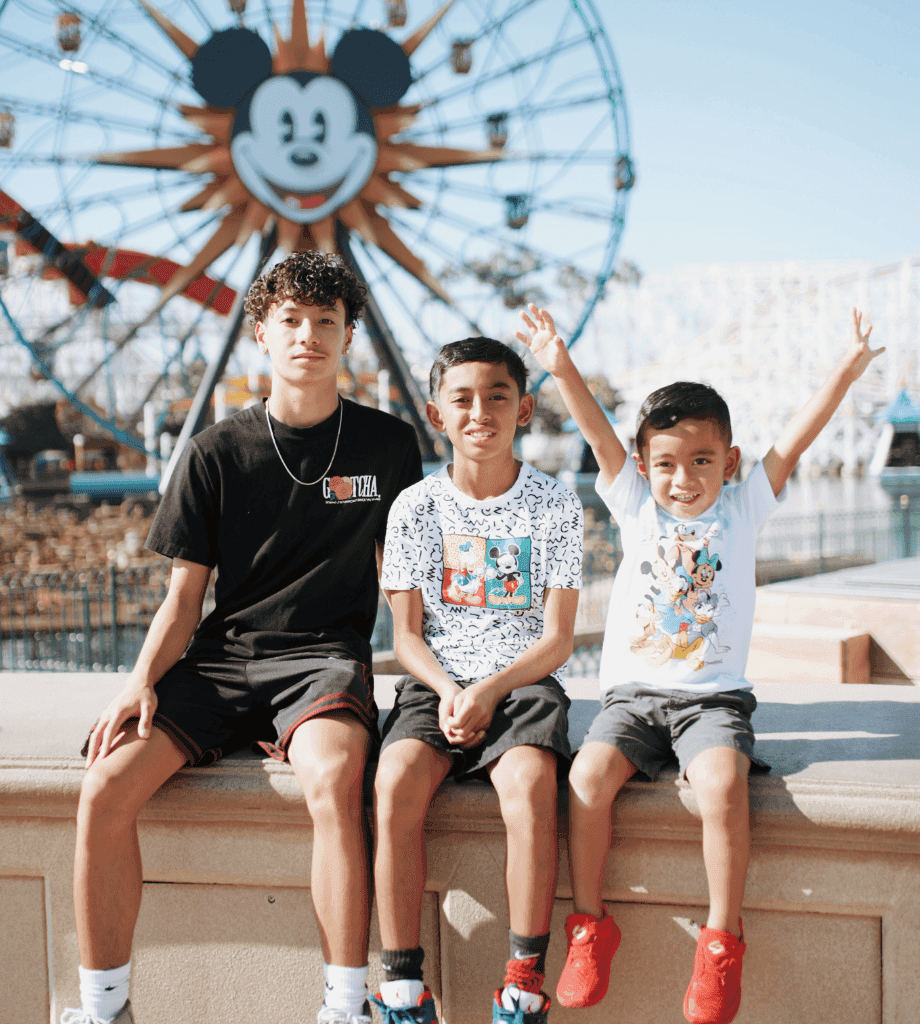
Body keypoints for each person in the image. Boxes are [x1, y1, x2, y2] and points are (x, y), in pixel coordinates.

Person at [62, 251, 424, 1024]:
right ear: (261, 332)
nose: (308, 335)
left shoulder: (388, 448)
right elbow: (183, 600)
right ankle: (102, 1008)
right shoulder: (214, 451)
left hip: (323, 662)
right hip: (222, 663)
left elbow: (406, 586)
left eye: (326, 321)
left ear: (349, 334)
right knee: (103, 789)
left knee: (332, 785)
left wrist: (452, 677)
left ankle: (344, 1004)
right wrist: (138, 683)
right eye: (290, 320)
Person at [517, 304, 884, 1024]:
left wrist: (846, 369)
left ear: (730, 462)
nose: (682, 479)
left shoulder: (746, 509)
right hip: (630, 699)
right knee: (586, 779)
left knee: (721, 785)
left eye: (701, 462)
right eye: (665, 464)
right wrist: (560, 366)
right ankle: (589, 926)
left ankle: (720, 940)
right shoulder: (634, 506)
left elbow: (797, 440)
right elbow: (596, 430)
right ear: (643, 464)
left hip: (714, 701)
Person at [372, 338, 584, 1024]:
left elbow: (557, 638)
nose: (480, 411)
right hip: (435, 683)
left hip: (522, 684)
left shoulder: (554, 505)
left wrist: (490, 689)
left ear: (523, 410)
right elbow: (406, 637)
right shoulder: (412, 509)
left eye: (497, 396)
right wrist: (450, 689)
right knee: (395, 781)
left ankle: (523, 983)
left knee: (528, 787)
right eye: (461, 398)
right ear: (437, 414)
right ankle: (403, 986)